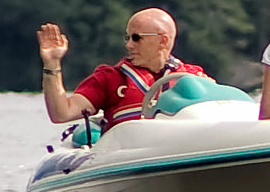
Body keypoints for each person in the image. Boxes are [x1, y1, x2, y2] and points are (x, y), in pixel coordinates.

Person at [37, 8, 210, 132]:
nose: (129, 45)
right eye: (127, 38)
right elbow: (62, 113)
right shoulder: (110, 79)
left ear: (163, 41)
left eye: (136, 38)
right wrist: (52, 64)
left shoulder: (193, 77)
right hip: (129, 153)